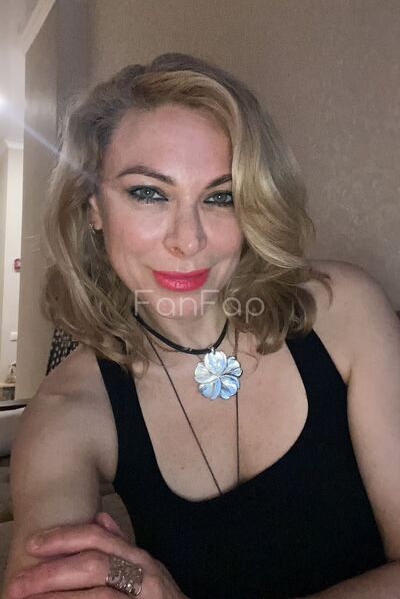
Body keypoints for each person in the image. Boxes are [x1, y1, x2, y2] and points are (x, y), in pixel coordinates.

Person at [4, 53, 400, 599]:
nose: (188, 240)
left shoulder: (343, 311)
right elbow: (49, 577)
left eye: (220, 197)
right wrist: (100, 580)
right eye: (148, 193)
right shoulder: (68, 409)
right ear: (93, 206)